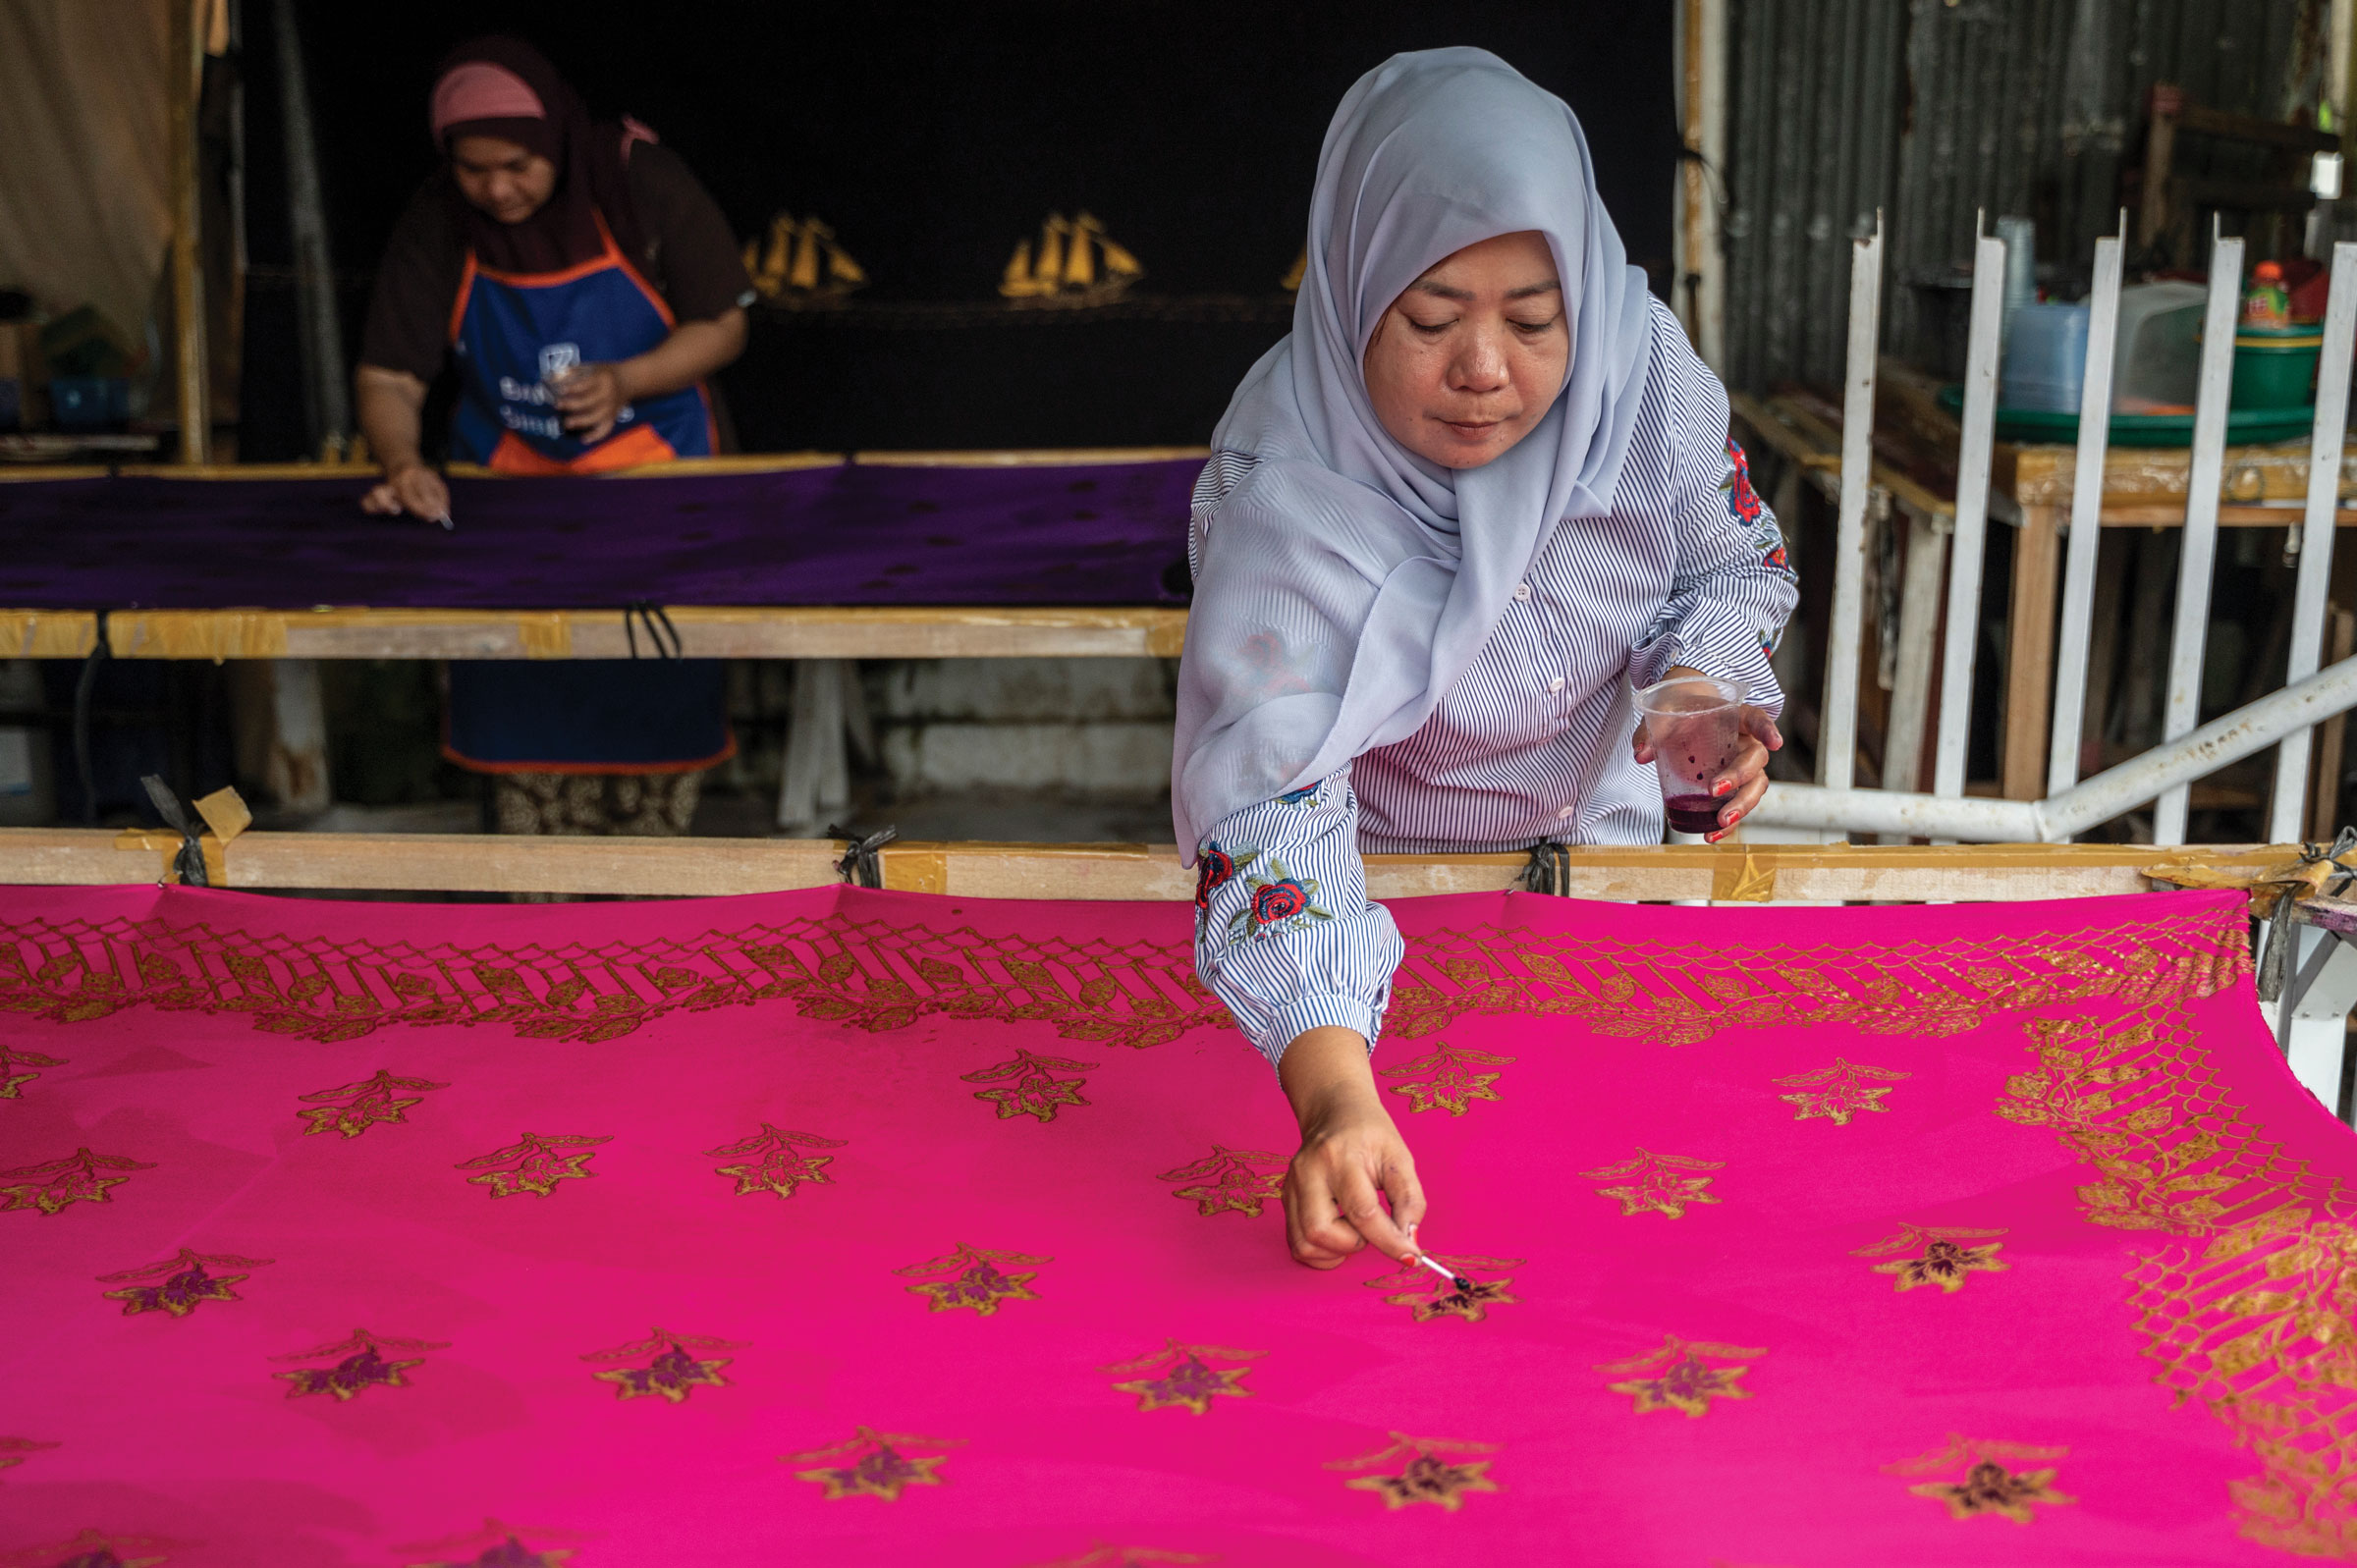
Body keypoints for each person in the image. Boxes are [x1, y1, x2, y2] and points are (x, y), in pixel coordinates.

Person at [1176, 51, 1797, 1272]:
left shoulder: (1639, 375)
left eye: (1530, 318)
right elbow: (1270, 793)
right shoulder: (1287, 482)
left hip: (1606, 885)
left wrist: (1696, 693)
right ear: (1354, 288)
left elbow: (1727, 567)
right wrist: (1336, 1091)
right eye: (1428, 317)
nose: (1483, 369)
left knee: (1611, 1239)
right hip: (1370, 919)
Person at [353, 37, 755, 835]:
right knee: (523, 695)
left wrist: (628, 380)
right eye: (475, 169)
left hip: (656, 484)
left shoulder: (638, 182)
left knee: (653, 694)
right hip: (512, 498)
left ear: (556, 141)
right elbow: (390, 377)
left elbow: (725, 323)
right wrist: (401, 460)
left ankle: (645, 925)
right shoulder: (440, 216)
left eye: (518, 165)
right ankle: (536, 929)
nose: (497, 189)